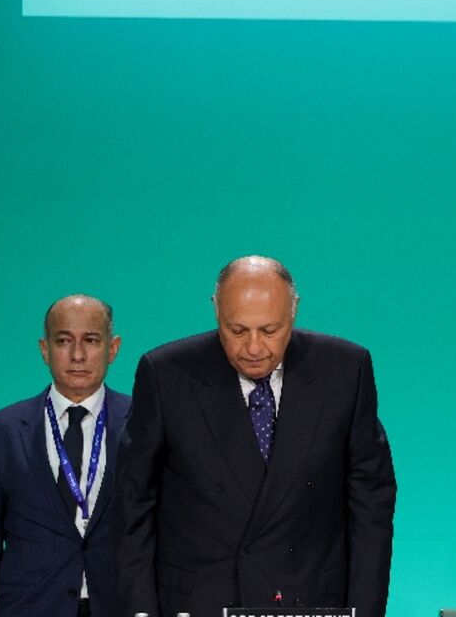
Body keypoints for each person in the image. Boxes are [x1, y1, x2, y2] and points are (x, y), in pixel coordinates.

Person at [113, 255, 397, 617]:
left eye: (269, 330)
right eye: (237, 330)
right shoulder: (166, 374)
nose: (253, 348)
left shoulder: (345, 370)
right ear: (216, 311)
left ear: (293, 311)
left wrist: (364, 611)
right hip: (199, 602)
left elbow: (371, 505)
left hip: (310, 599)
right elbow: (132, 506)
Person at [0, 295, 131, 617]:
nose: (78, 355)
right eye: (64, 340)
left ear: (113, 348)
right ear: (44, 350)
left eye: (91, 340)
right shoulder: (2, 431)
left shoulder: (145, 423)